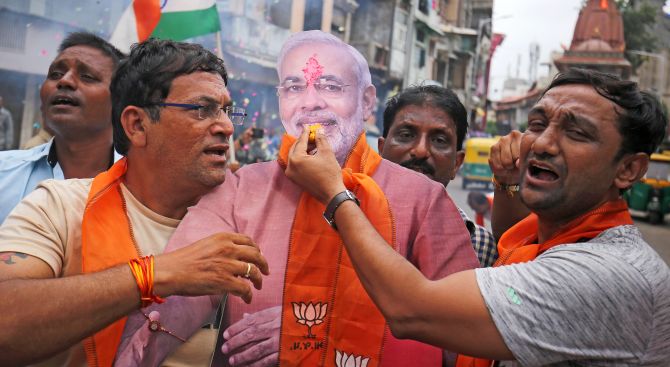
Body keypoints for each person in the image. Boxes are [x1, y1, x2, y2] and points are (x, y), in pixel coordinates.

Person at [120, 30, 479, 367]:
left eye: (330, 85)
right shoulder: (240, 190)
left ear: (366, 100)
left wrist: (318, 332)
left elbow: (468, 337)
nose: (310, 103)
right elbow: (175, 301)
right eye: (294, 87)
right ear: (280, 101)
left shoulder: (423, 200)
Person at [285, 68, 670, 365]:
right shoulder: (539, 244)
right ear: (380, 148)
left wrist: (334, 193)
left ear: (628, 170)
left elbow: (411, 309)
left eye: (577, 133)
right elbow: (514, 242)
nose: (543, 143)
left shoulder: (604, 274)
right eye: (537, 125)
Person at [0, 38, 269, 367]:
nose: (226, 127)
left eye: (227, 110)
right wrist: (153, 275)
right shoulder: (59, 208)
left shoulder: (251, 218)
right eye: (203, 109)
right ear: (137, 125)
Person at [0, 32, 123, 224]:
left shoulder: (145, 188)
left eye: (87, 76)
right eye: (55, 74)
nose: (64, 81)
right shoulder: (4, 172)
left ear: (120, 101)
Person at [379, 85, 498, 267]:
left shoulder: (480, 247)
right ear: (381, 150)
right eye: (406, 135)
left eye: (439, 140)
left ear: (456, 164)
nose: (420, 151)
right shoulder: (342, 221)